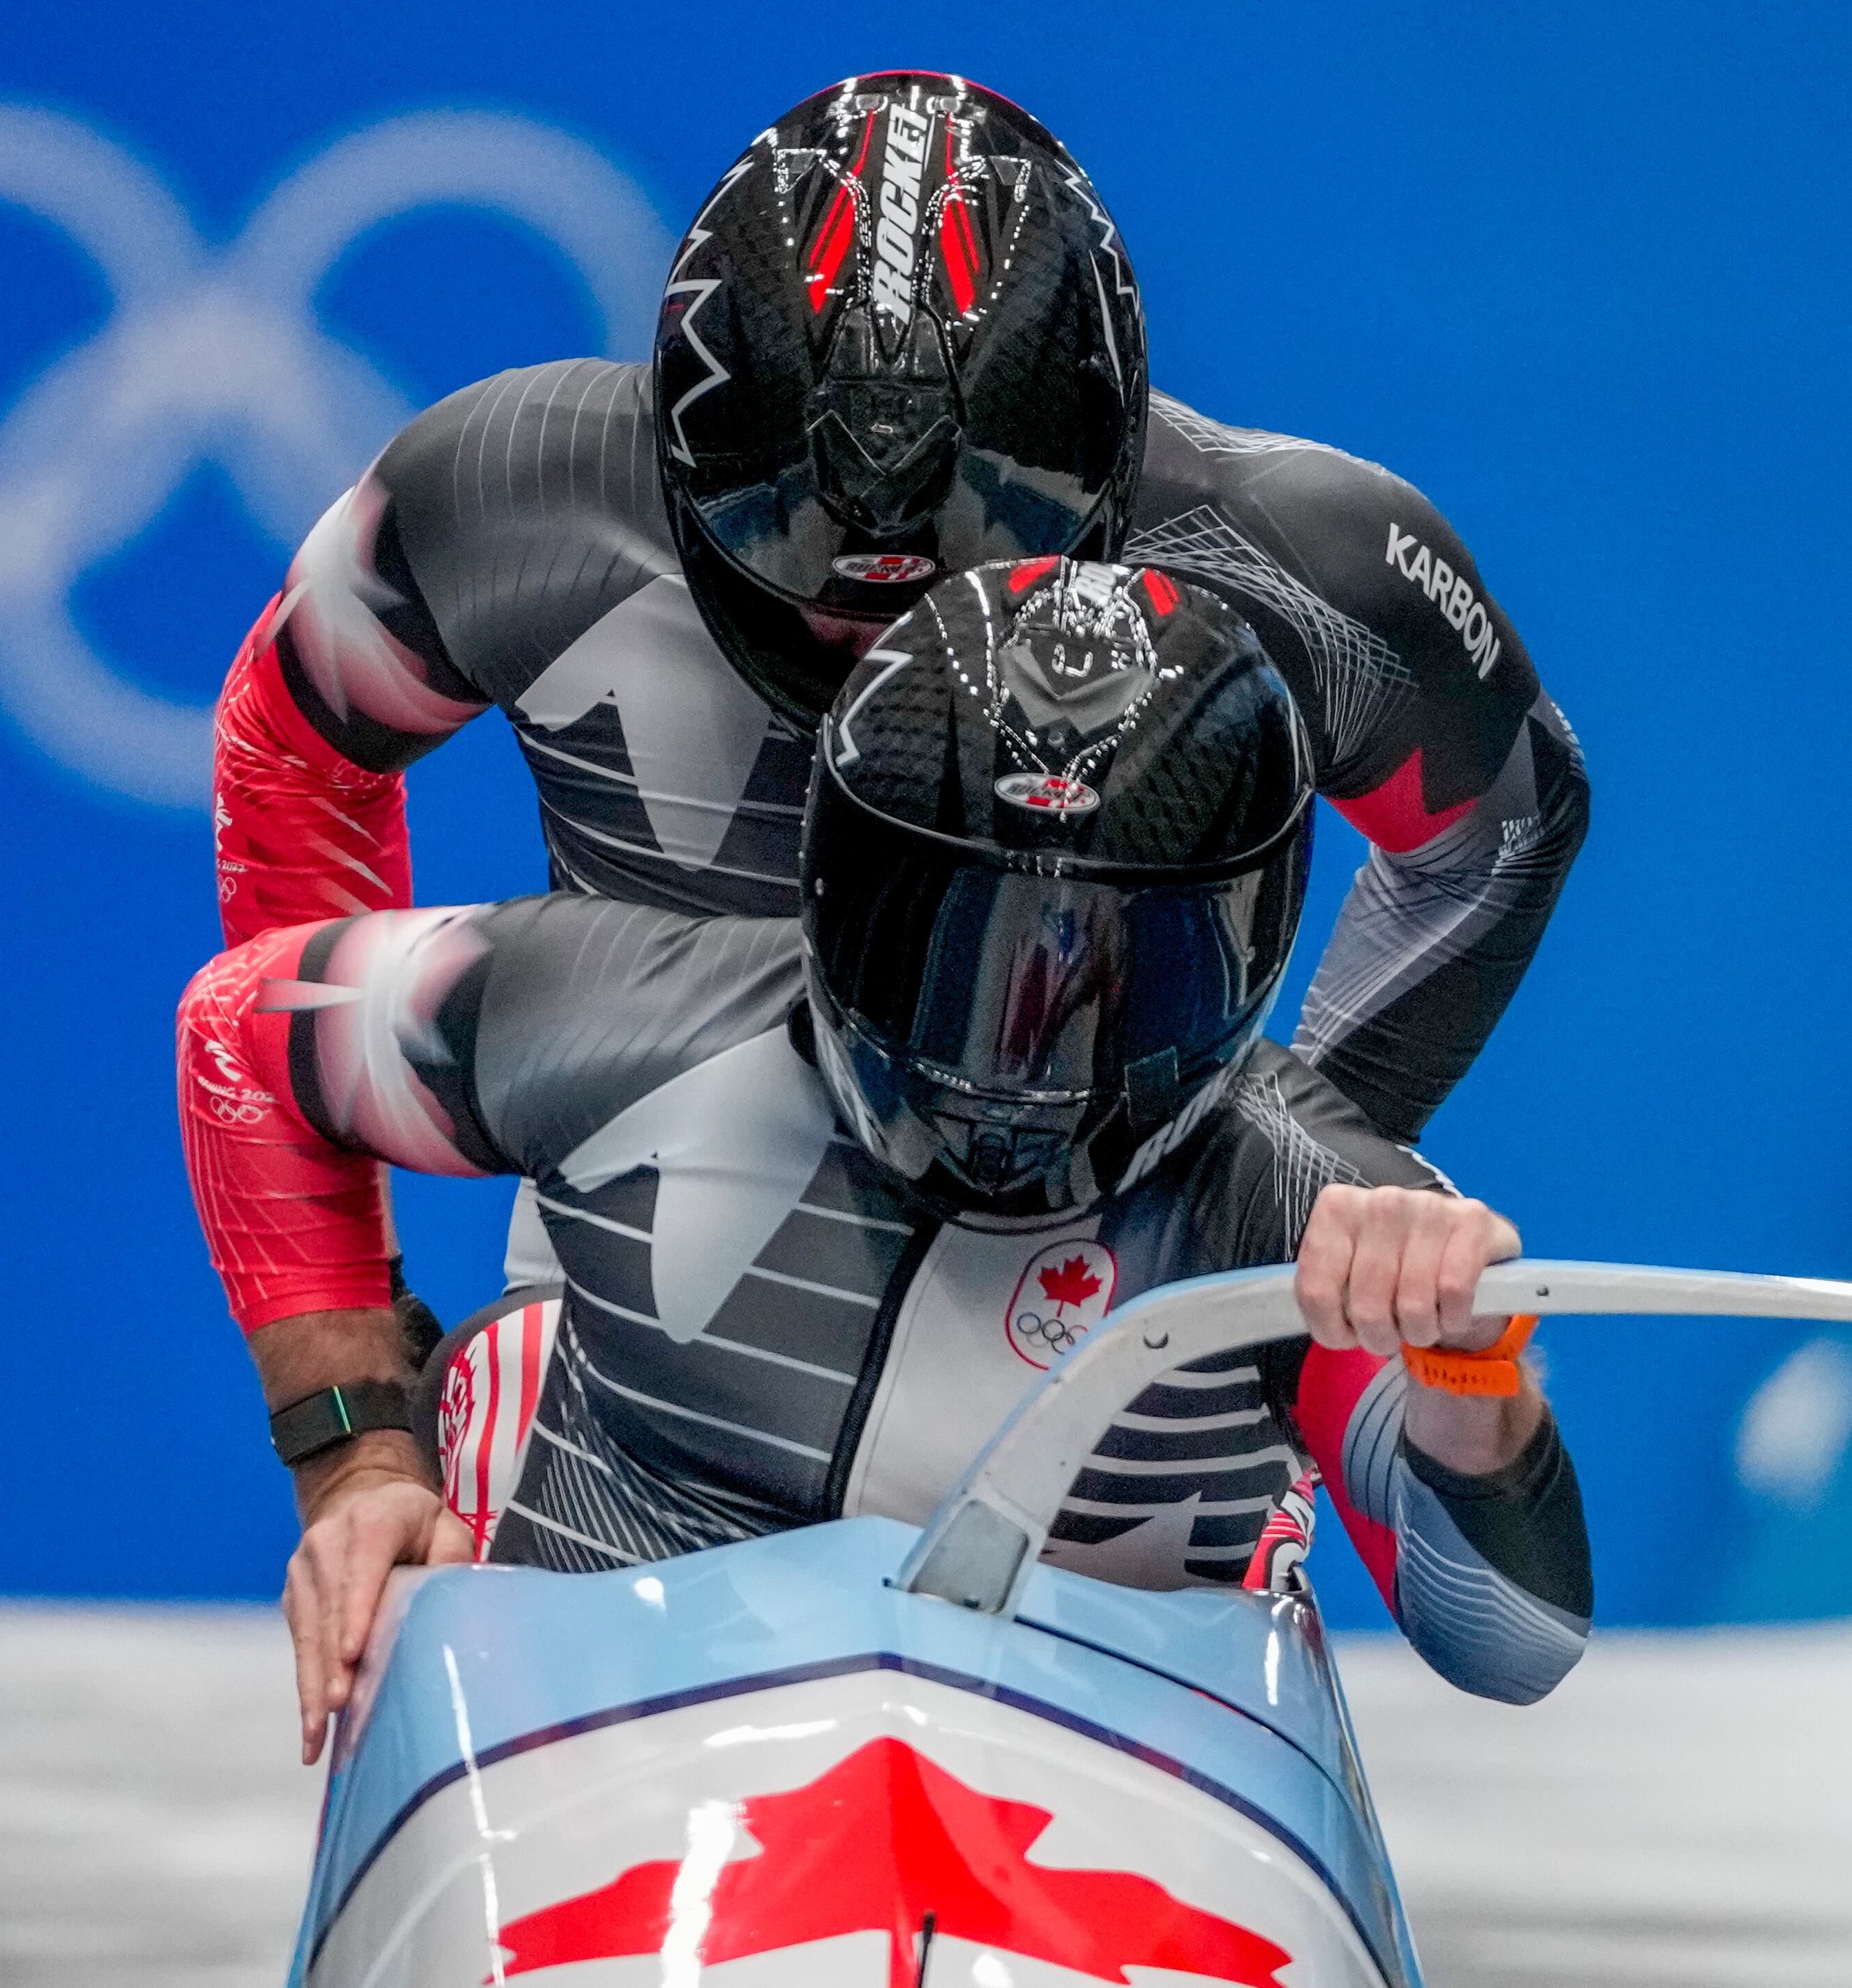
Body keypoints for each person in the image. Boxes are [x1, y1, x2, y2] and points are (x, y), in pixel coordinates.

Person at [179, 560, 1590, 1766]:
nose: (1018, 1045)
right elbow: (242, 1039)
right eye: (950, 941)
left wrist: (1470, 1387)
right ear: (832, 890)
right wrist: (357, 1458)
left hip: (1079, 1826)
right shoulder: (618, 1015)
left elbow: (1511, 1641)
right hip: (616, 1770)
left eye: (1119, 968)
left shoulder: (1309, 1203)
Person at [212, 75, 1588, 1267]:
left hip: (1088, 1337)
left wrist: (1269, 1195)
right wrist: (357, 1395)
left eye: (947, 583)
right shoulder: (507, 495)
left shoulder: (1304, 559)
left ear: (1097, 477)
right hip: (635, 1315)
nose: (870, 630)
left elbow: (1504, 829)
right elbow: (289, 756)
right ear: (690, 462)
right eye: (800, 560)